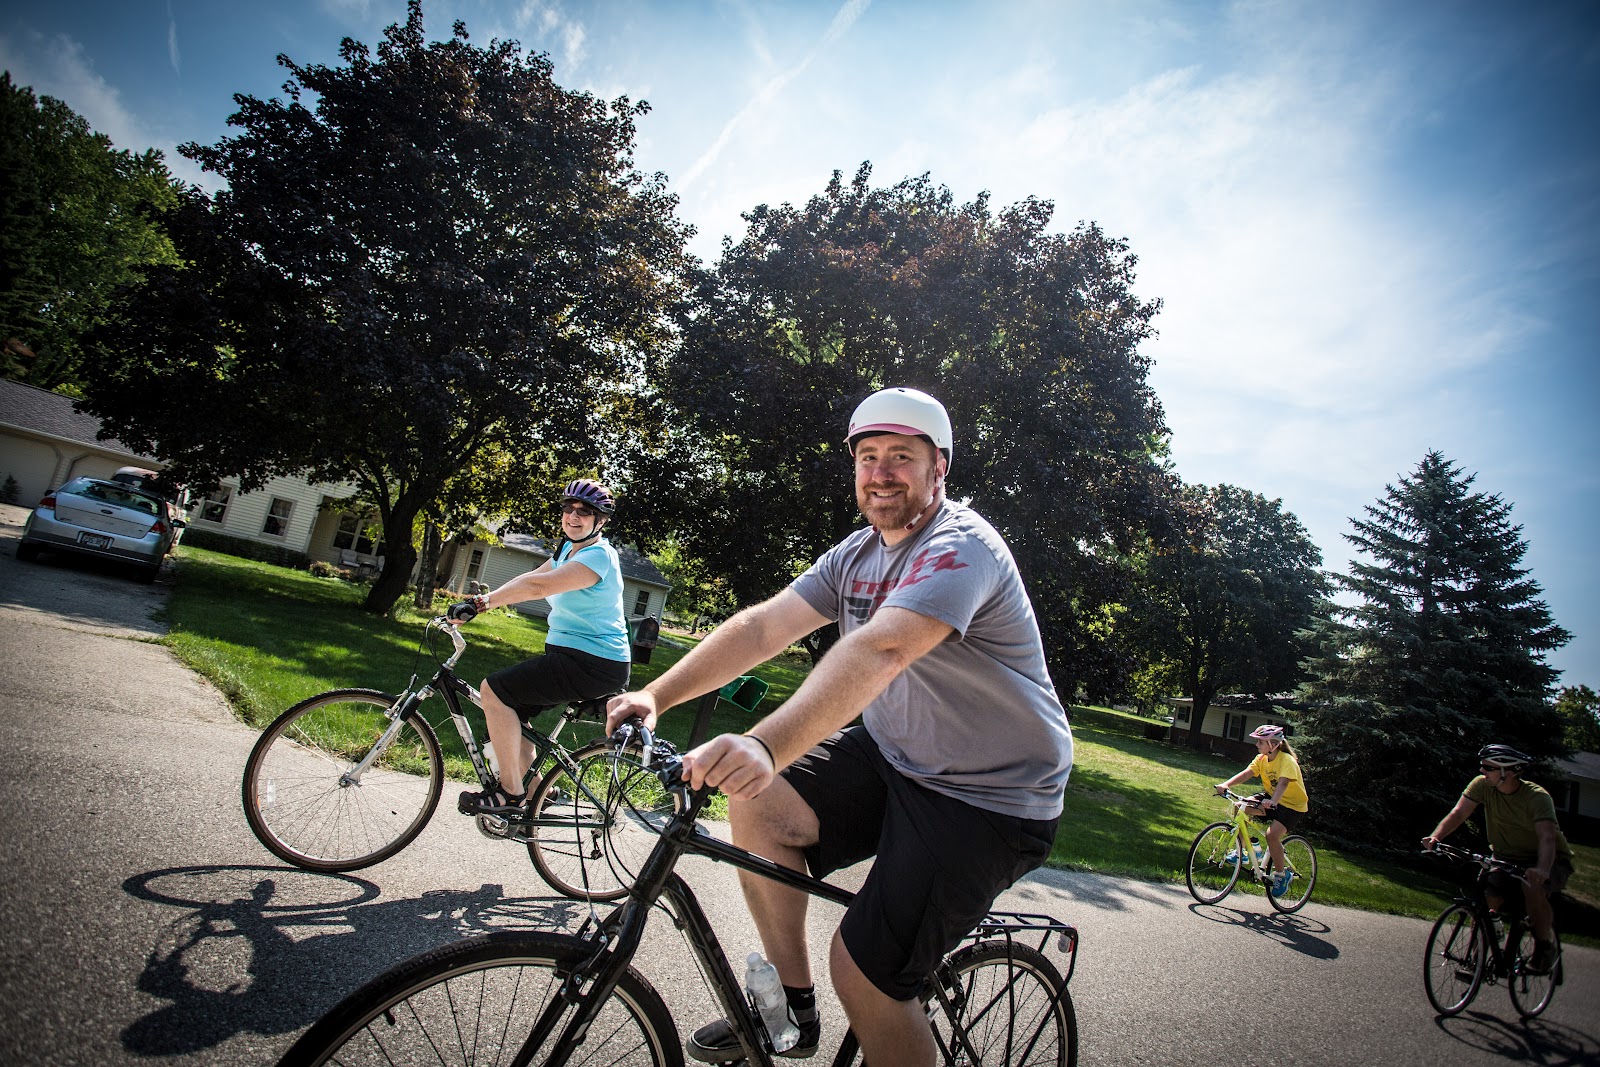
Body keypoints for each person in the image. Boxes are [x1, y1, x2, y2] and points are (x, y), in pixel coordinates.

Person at [606, 387, 1073, 1067]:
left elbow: (880, 650)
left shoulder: (961, 545)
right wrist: (656, 693)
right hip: (898, 754)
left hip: (990, 796)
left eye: (902, 457)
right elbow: (765, 624)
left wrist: (765, 742)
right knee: (757, 803)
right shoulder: (857, 553)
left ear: (938, 468)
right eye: (869, 456)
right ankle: (790, 1014)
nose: (882, 471)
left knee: (866, 973)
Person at [450, 479, 631, 814]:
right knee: (511, 709)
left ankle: (510, 795)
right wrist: (476, 602)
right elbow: (529, 577)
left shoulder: (598, 557)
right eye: (569, 508)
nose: (574, 516)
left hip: (594, 663)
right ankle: (536, 793)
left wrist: (480, 604)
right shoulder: (567, 550)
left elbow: (537, 586)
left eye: (585, 512)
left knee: (493, 691)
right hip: (572, 656)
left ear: (601, 520)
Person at [1422, 744, 1574, 974]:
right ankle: (1478, 958)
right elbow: (1459, 813)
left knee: (1533, 889)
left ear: (1509, 772)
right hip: (1505, 856)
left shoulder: (1537, 798)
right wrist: (1436, 837)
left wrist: (1542, 869)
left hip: (1547, 859)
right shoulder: (1482, 785)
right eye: (1482, 766)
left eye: (1488, 767)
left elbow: (1547, 838)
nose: (1482, 770)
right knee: (1487, 899)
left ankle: (1545, 947)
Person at [1214, 723, 1309, 898]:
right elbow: (1246, 773)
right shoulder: (1262, 759)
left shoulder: (1286, 760)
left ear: (1273, 745)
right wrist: (1226, 784)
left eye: (1261, 742)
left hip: (1292, 806)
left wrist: (1273, 801)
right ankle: (1243, 851)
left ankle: (1281, 875)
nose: (1257, 745)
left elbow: (1283, 783)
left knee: (1272, 836)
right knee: (1239, 807)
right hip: (1271, 799)